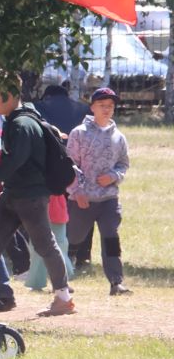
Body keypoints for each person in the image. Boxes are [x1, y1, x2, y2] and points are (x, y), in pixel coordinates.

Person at [0, 83, 76, 315]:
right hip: (16, 193)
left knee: (45, 244)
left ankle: (63, 297)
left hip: (29, 196)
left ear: (10, 96)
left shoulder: (21, 124)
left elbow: (15, 160)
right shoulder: (24, 118)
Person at [65, 86, 131, 295]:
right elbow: (70, 165)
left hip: (108, 199)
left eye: (110, 106)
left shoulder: (118, 137)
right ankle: (64, 275)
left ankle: (116, 281)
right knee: (74, 237)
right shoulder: (79, 134)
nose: (106, 110)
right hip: (82, 199)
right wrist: (77, 191)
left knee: (111, 236)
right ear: (92, 107)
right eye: (102, 105)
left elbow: (123, 164)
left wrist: (113, 176)